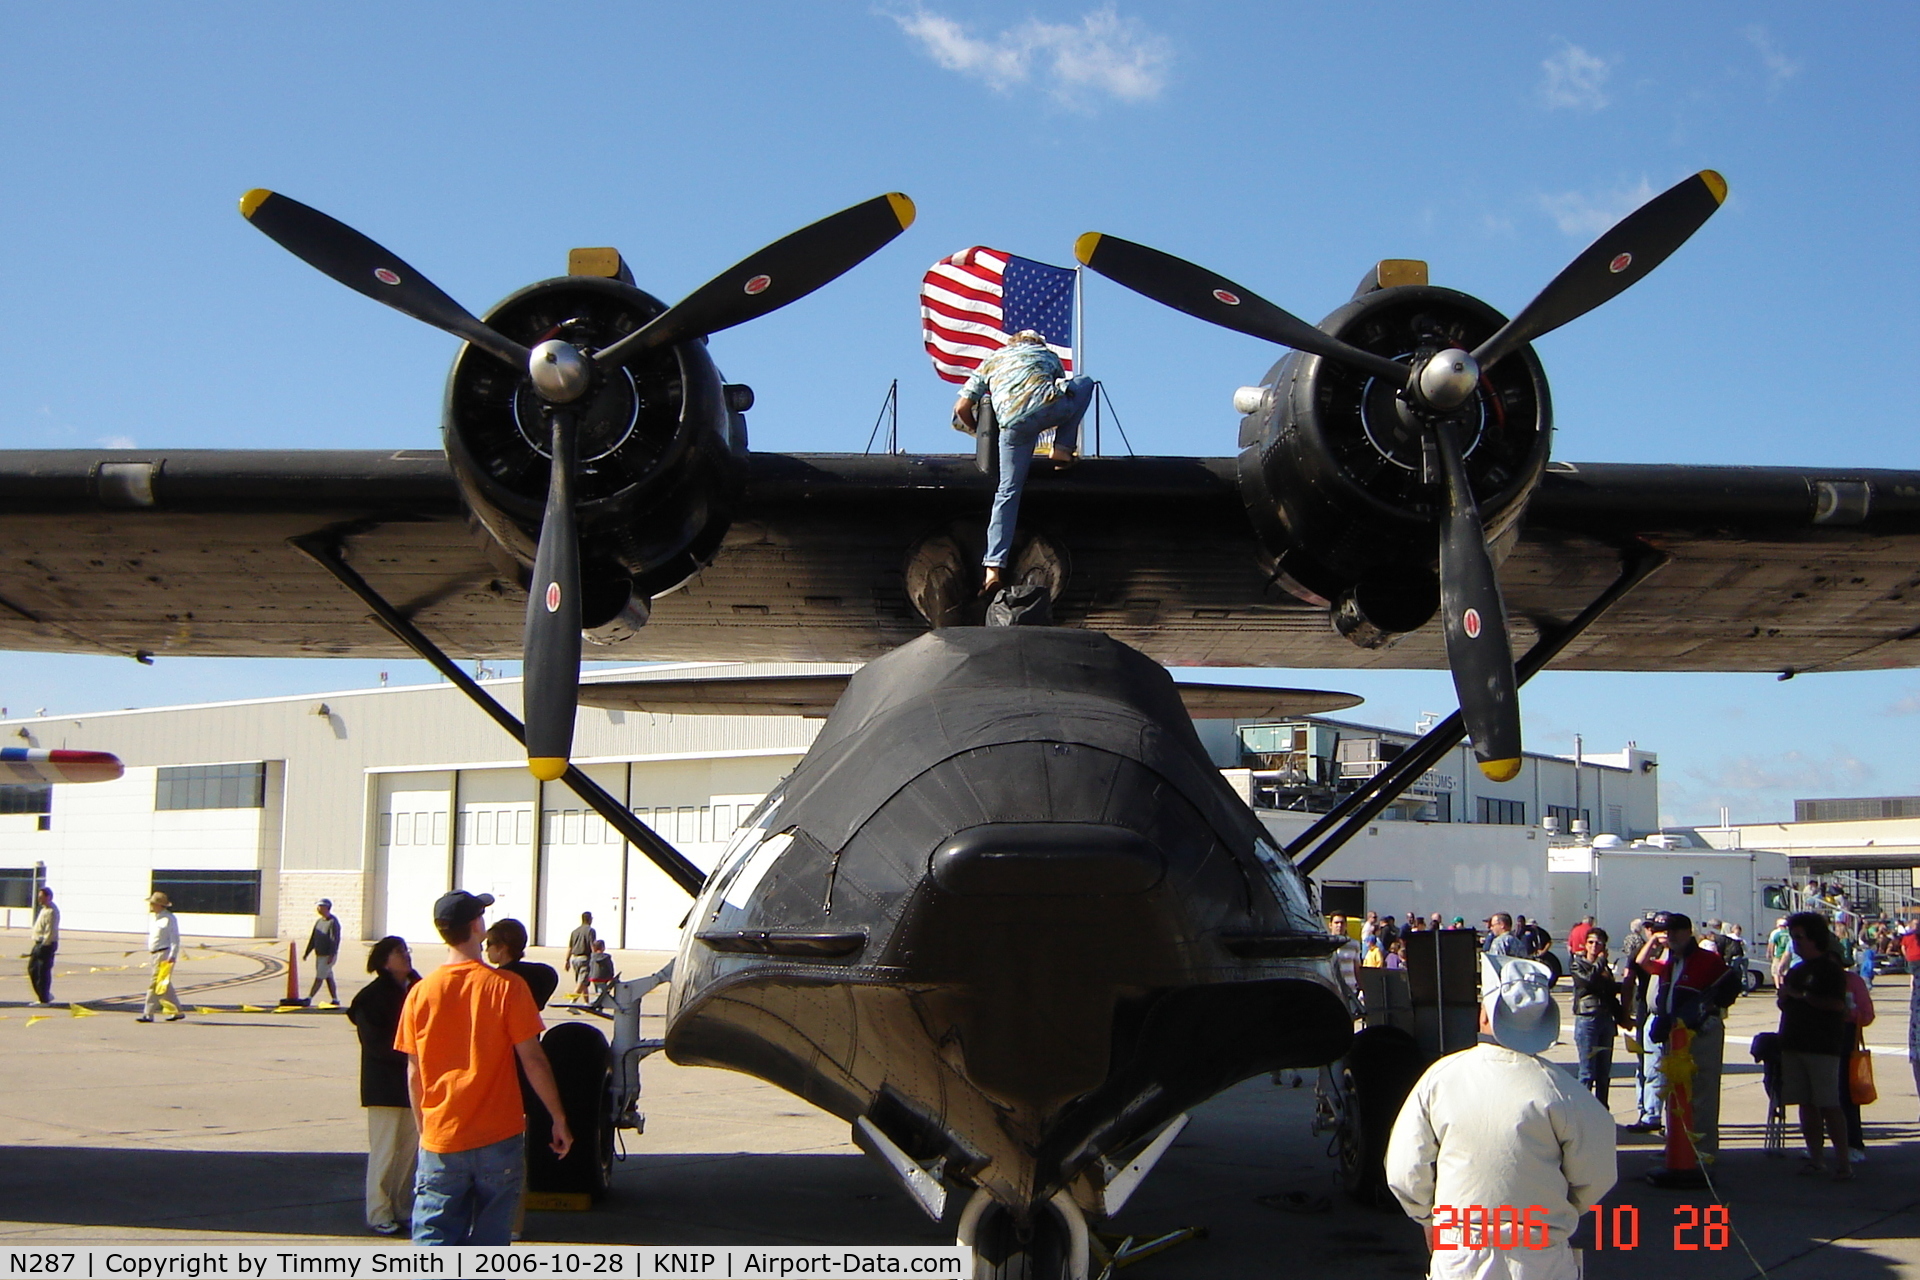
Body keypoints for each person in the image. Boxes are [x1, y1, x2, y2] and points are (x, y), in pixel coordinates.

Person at [1386, 954, 1616, 1279]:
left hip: (1461, 1248)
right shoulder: (1562, 1090)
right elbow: (1598, 1171)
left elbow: (1404, 1171)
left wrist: (1428, 1218)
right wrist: (1562, 1211)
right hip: (1540, 1252)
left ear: (1483, 1016)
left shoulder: (1440, 1078)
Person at [395, 890, 574, 1245]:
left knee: (434, 1241)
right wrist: (558, 1118)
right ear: (477, 926)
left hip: (442, 1136)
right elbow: (533, 1059)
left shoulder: (420, 993)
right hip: (498, 1136)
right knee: (491, 1241)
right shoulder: (507, 988)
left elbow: (414, 1073)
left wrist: (425, 1130)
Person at [952, 331, 1094, 597]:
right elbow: (1064, 387)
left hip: (1012, 426)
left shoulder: (992, 359)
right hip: (1048, 408)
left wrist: (978, 432)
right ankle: (1062, 449)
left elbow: (961, 407)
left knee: (1007, 492)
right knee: (1085, 383)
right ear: (1036, 344)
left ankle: (993, 568)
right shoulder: (1047, 356)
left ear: (1012, 343)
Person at [1633, 911, 1734, 1155]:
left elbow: (1730, 987)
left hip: (1700, 1036)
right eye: (1664, 931)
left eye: (1674, 930)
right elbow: (1641, 964)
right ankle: (1678, 1150)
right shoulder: (1670, 963)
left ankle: (1702, 1154)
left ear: (1689, 932)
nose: (1669, 936)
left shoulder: (1706, 959)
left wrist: (1705, 1011)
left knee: (1701, 1096)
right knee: (1676, 1095)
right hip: (1673, 1038)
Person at [347, 936, 421, 1235]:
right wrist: (413, 1056)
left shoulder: (419, 988)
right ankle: (378, 1211)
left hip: (414, 1086)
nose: (405, 956)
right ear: (383, 961)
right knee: (384, 1152)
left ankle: (401, 1207)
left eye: (406, 950)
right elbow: (376, 1045)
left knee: (408, 1154)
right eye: (398, 952)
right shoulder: (371, 997)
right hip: (384, 1086)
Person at [1775, 912, 1853, 1181]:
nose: (1795, 943)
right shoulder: (1797, 970)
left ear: (1815, 938)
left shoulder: (1830, 969)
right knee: (1805, 1104)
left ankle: (1843, 1161)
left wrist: (1802, 996)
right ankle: (1816, 1158)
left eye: (1799, 938)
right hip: (1794, 1042)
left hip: (1822, 1046)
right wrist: (1785, 997)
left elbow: (1837, 1005)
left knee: (1829, 1104)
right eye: (1792, 938)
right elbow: (1785, 1001)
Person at [1570, 928, 1629, 1107]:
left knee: (1604, 1073)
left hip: (1605, 1020)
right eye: (1591, 942)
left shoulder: (1604, 969)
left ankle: (1602, 1110)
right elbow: (1588, 981)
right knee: (1587, 1072)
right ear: (1585, 945)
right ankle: (1583, 1112)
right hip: (1587, 1018)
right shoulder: (1578, 964)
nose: (1594, 946)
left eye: (1599, 943)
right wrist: (1601, 961)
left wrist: (1622, 1016)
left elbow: (1610, 995)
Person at [1841, 962, 1874, 1164]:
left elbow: (1868, 1014)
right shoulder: (1808, 976)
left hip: (1846, 1042)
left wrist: (1849, 1013)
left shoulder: (1853, 981)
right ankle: (1815, 1143)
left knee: (1847, 1094)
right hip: (1818, 1041)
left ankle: (1854, 1143)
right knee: (1818, 1097)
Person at [485, 918, 558, 1010]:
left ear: (501, 947)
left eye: (489, 944)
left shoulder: (497, 979)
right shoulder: (543, 974)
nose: (486, 950)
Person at [138, 891, 183, 1022]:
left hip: (164, 954)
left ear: (159, 905)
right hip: (154, 954)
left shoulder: (169, 918)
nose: (150, 906)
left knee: (155, 983)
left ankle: (148, 1013)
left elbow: (175, 939)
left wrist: (173, 955)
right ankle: (178, 1011)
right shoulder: (156, 919)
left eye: (152, 904)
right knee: (164, 984)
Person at [305, 898, 342, 1005]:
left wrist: (332, 954)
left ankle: (309, 998)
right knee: (329, 978)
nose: (318, 908)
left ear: (327, 907)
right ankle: (335, 999)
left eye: (321, 906)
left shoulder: (333, 922)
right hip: (319, 954)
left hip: (327, 955)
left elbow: (334, 939)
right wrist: (307, 952)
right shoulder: (319, 922)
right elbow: (313, 938)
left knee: (319, 977)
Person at [27, 885, 58, 1005]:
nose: (39, 899)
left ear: (48, 897)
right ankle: (43, 996)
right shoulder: (44, 909)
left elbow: (51, 931)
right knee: (33, 969)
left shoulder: (51, 911)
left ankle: (44, 998)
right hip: (39, 943)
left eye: (41, 897)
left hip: (45, 945)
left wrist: (45, 945)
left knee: (41, 972)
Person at [565, 912, 596, 1001]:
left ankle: (587, 1003)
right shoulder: (591, 931)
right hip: (585, 959)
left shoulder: (575, 931)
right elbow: (592, 945)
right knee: (581, 983)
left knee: (584, 982)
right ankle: (571, 1002)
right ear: (589, 919)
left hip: (574, 959)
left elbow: (570, 947)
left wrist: (567, 961)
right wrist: (596, 957)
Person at [585, 940, 617, 1011]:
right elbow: (610, 967)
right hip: (603, 978)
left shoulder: (592, 957)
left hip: (593, 977)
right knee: (602, 993)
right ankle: (595, 1004)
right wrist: (611, 976)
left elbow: (589, 966)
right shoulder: (606, 958)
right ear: (603, 948)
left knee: (599, 991)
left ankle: (599, 1006)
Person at [1770, 916, 1795, 987]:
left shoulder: (1776, 934)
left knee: (1776, 972)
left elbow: (1772, 945)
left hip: (1778, 954)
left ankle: (1778, 986)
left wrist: (1772, 955)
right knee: (1785, 972)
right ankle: (1784, 985)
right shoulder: (1790, 934)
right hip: (1788, 955)